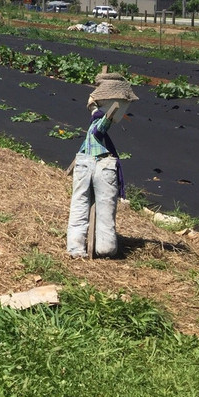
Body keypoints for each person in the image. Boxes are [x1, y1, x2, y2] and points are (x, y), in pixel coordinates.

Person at [66, 72, 137, 259]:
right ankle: (104, 247)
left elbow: (93, 135)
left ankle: (76, 247)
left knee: (79, 204)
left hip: (84, 162)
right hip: (102, 166)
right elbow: (99, 130)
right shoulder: (100, 121)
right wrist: (110, 114)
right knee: (105, 206)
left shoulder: (94, 118)